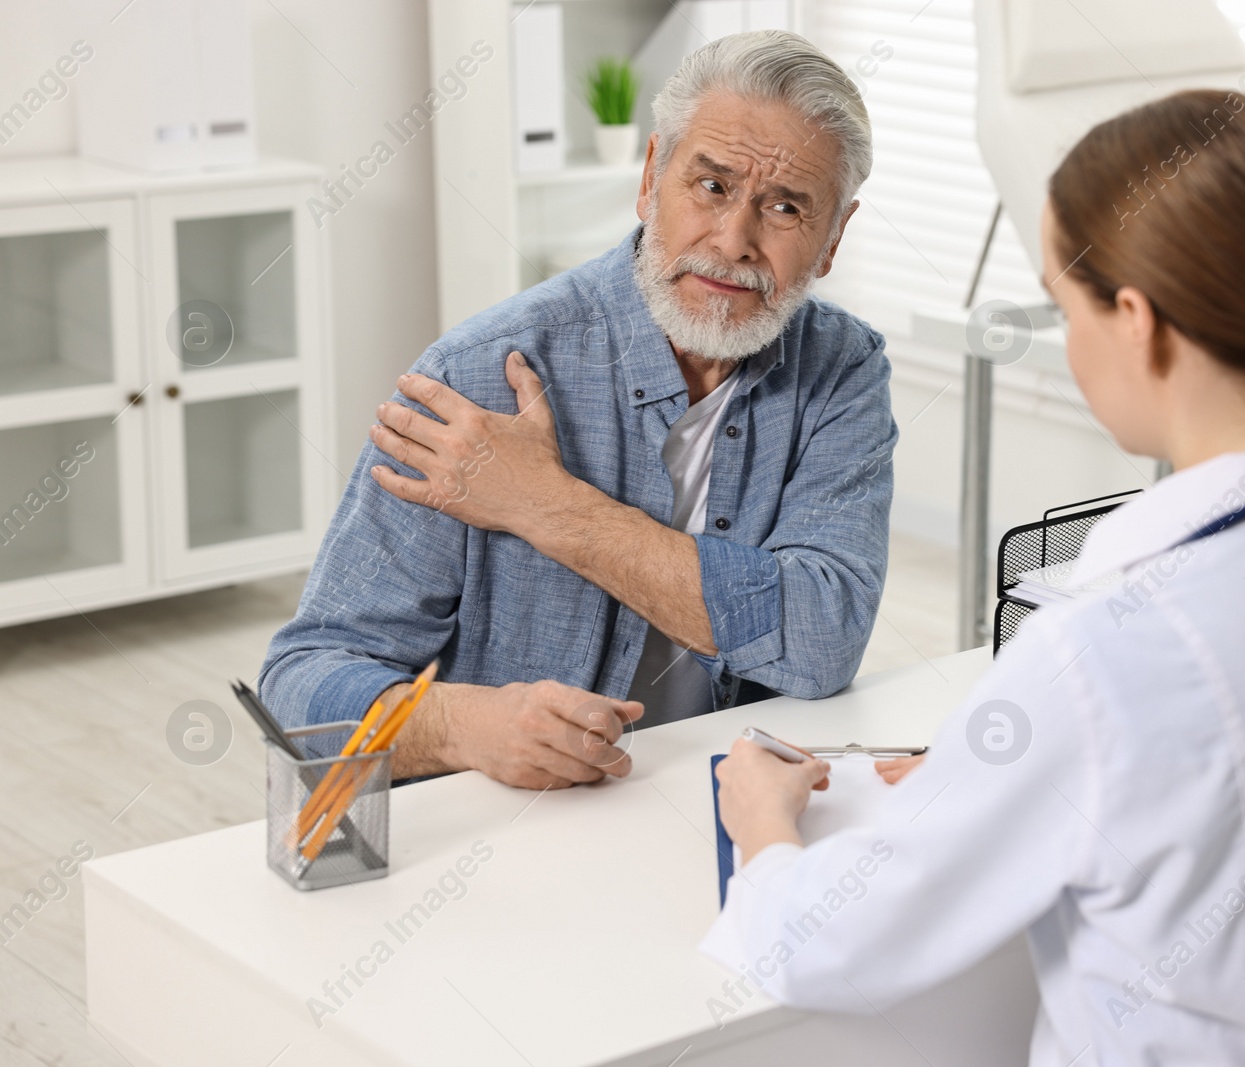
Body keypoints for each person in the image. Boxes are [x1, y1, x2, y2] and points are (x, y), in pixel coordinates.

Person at [708, 89, 1245, 1066]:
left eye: (1063, 303)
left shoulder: (1099, 657)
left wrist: (760, 818)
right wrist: (1019, 770)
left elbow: (823, 942)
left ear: (1134, 320)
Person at [259, 31, 897, 791]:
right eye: (712, 186)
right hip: (515, 833)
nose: (734, 241)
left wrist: (548, 505)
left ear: (832, 240)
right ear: (650, 180)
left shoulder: (842, 367)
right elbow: (302, 688)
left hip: (730, 807)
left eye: (786, 208)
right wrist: (463, 726)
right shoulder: (474, 378)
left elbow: (824, 639)